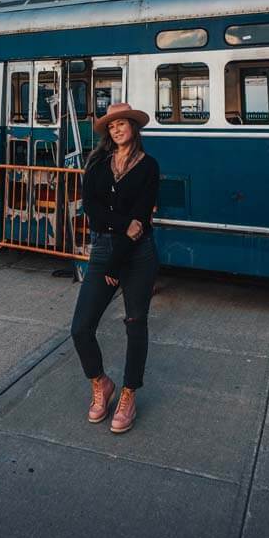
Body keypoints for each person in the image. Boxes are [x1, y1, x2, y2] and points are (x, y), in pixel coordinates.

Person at [71, 102, 160, 434]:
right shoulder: (98, 163)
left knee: (135, 324)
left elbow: (142, 218)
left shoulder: (149, 166)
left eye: (123, 124)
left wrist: (118, 253)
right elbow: (92, 210)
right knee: (81, 328)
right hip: (106, 249)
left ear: (133, 128)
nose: (117, 129)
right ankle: (101, 383)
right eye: (112, 126)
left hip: (138, 255)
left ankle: (128, 394)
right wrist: (124, 226)